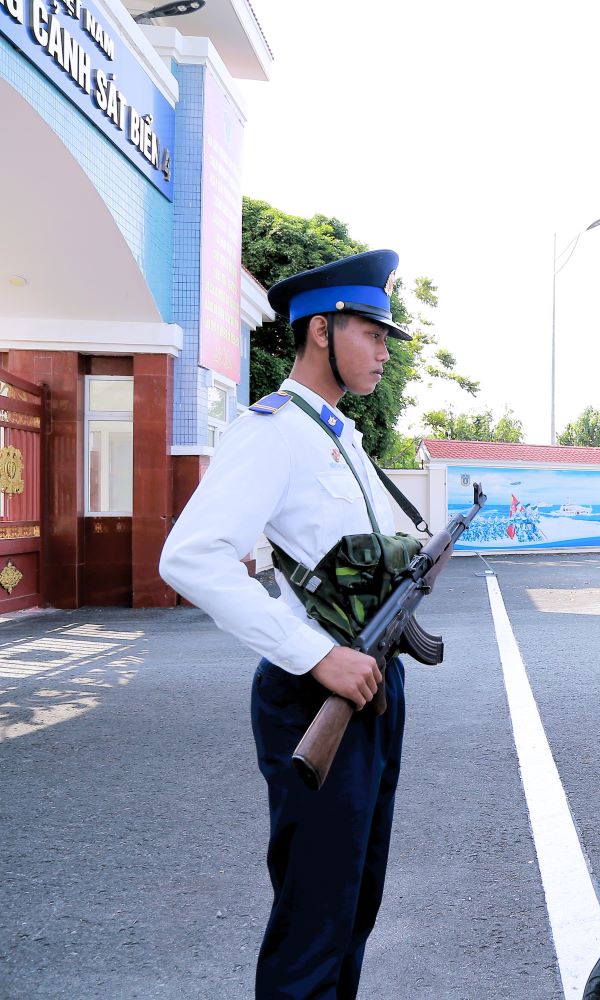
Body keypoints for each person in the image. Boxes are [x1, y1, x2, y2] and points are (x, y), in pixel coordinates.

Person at [160, 249, 414, 999]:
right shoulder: (271, 431)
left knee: (354, 905)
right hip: (317, 691)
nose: (382, 349)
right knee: (314, 916)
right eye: (371, 332)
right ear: (321, 331)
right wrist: (313, 655)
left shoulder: (341, 438)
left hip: (371, 681)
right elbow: (191, 557)